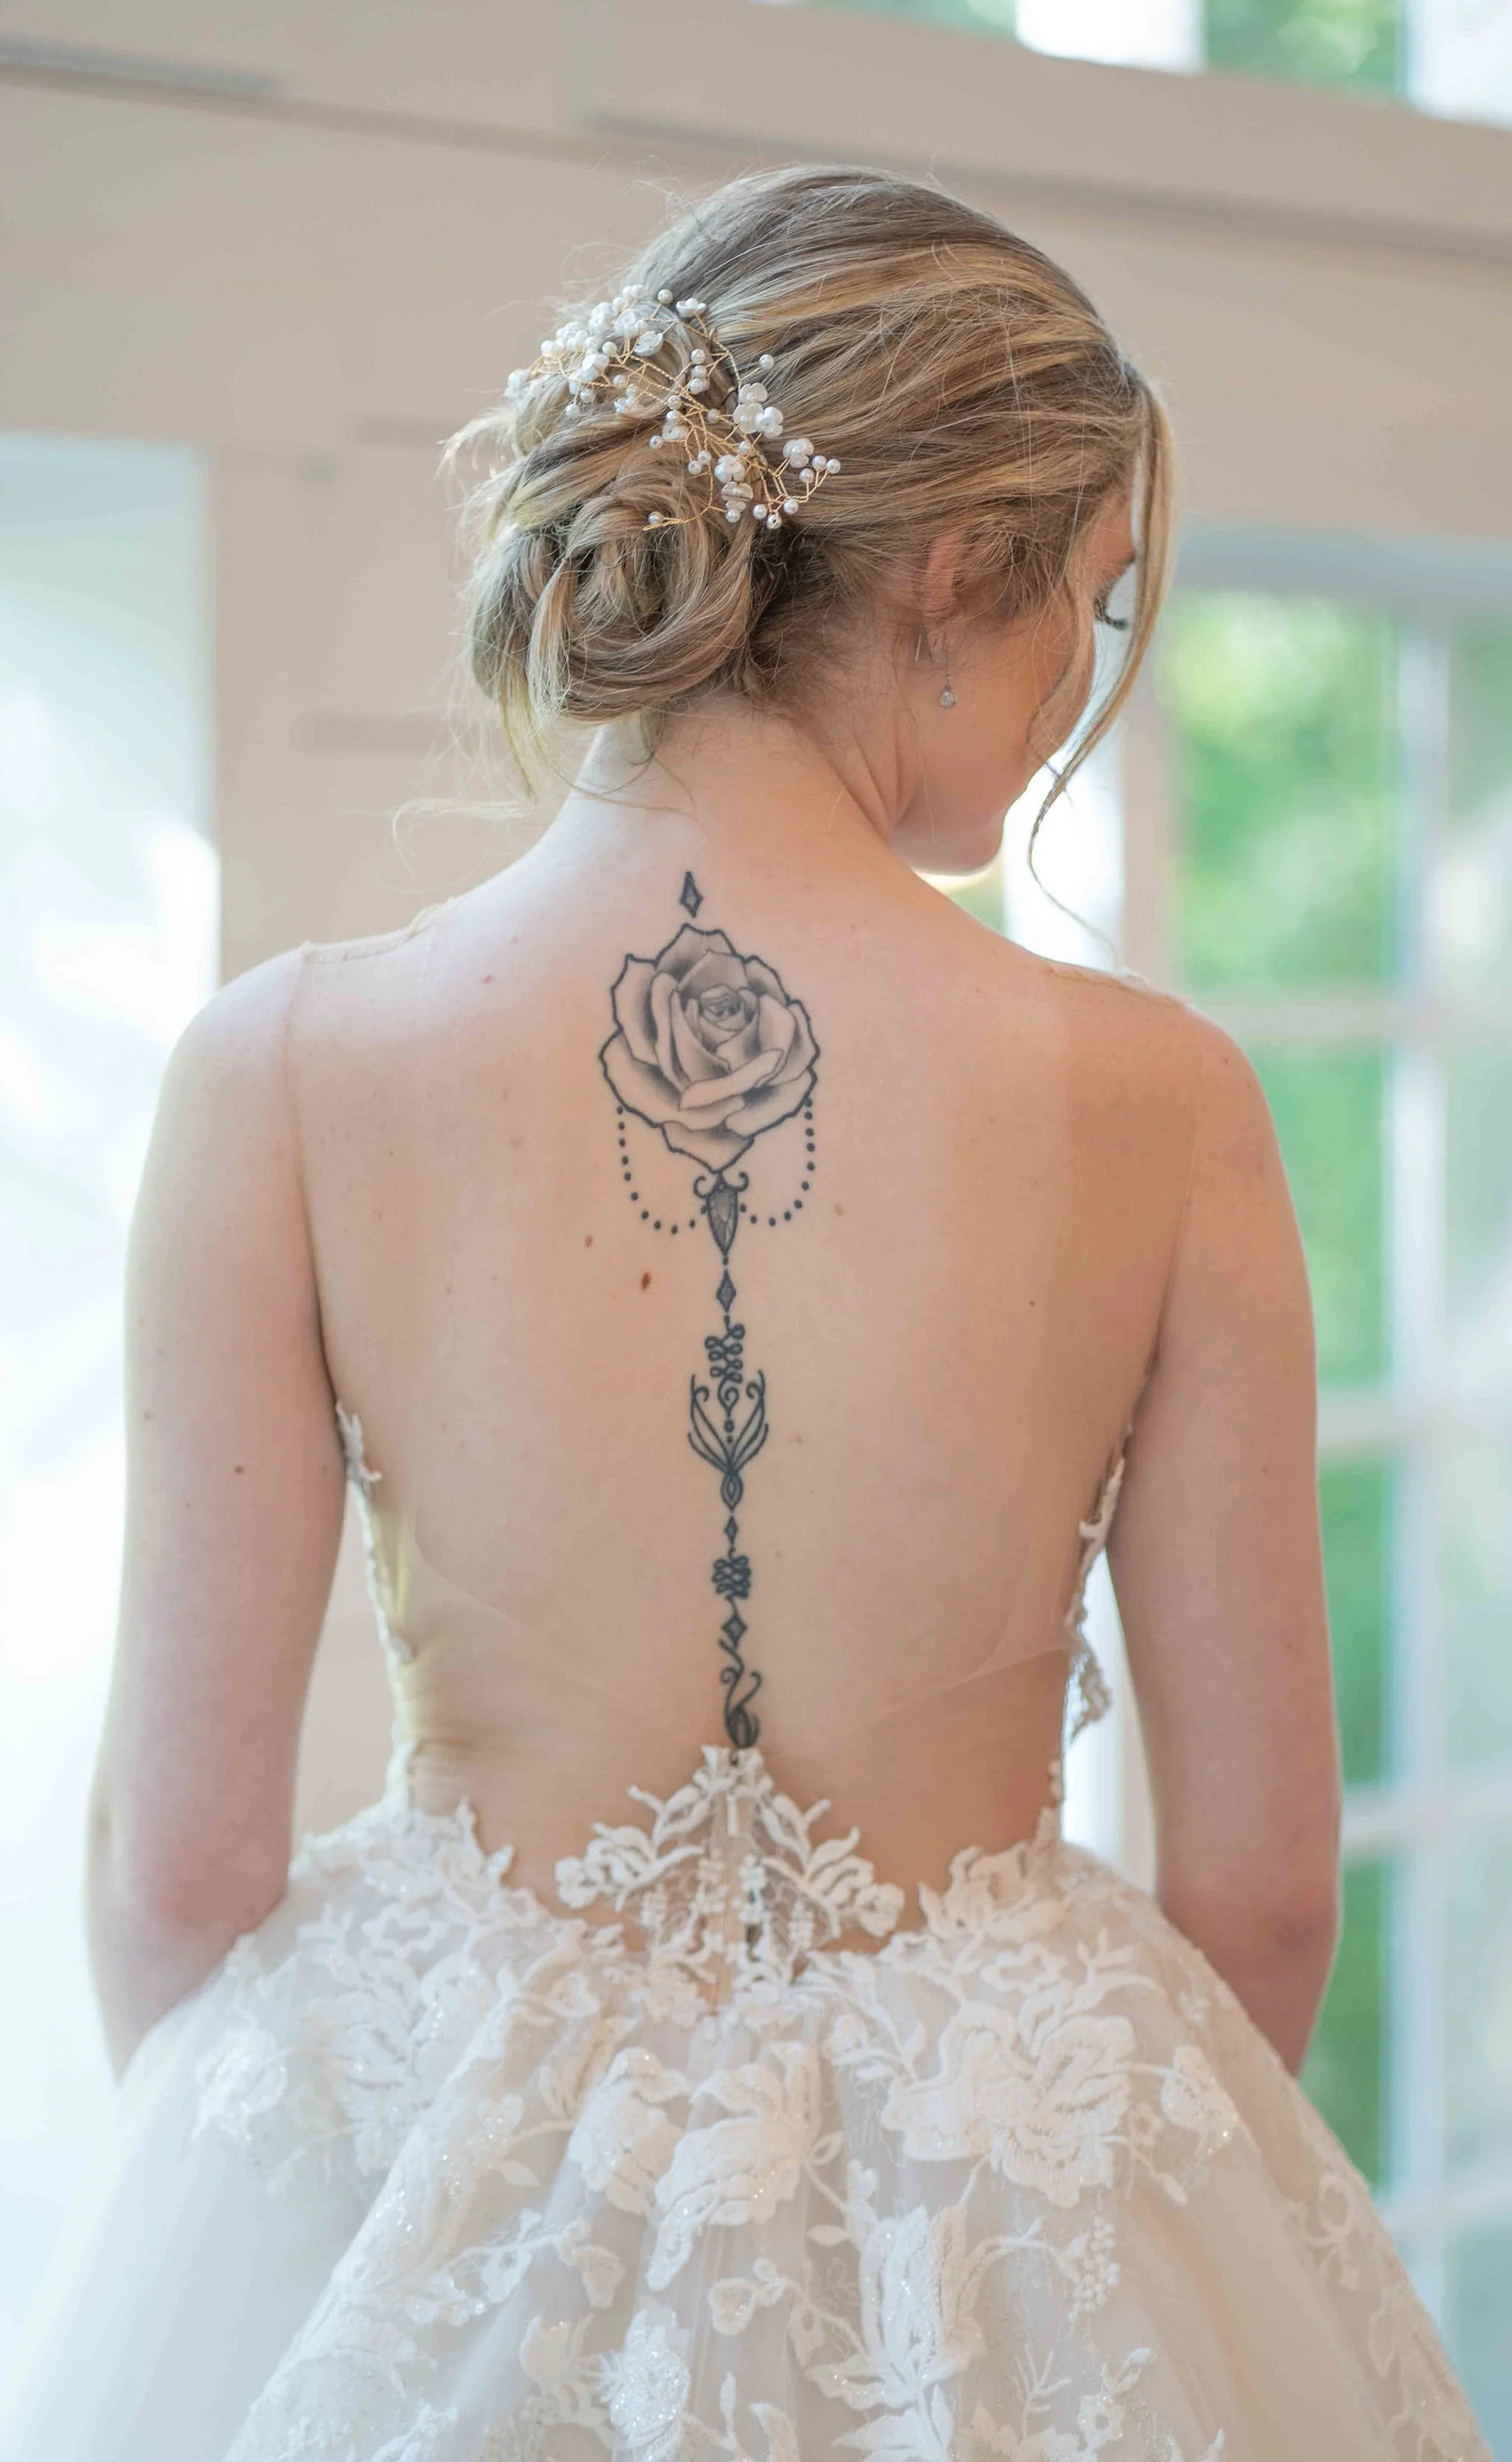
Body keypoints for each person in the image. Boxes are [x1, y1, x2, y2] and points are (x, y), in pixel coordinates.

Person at [1, 165, 1487, 2462]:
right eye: (1086, 610)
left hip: (448, 2198)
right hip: (1009, 2222)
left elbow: (174, 1873)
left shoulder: (284, 1068)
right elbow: (1267, 1888)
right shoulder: (1169, 1103)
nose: (1079, 688)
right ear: (953, 572)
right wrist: (1080, 2224)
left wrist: (334, 2239)